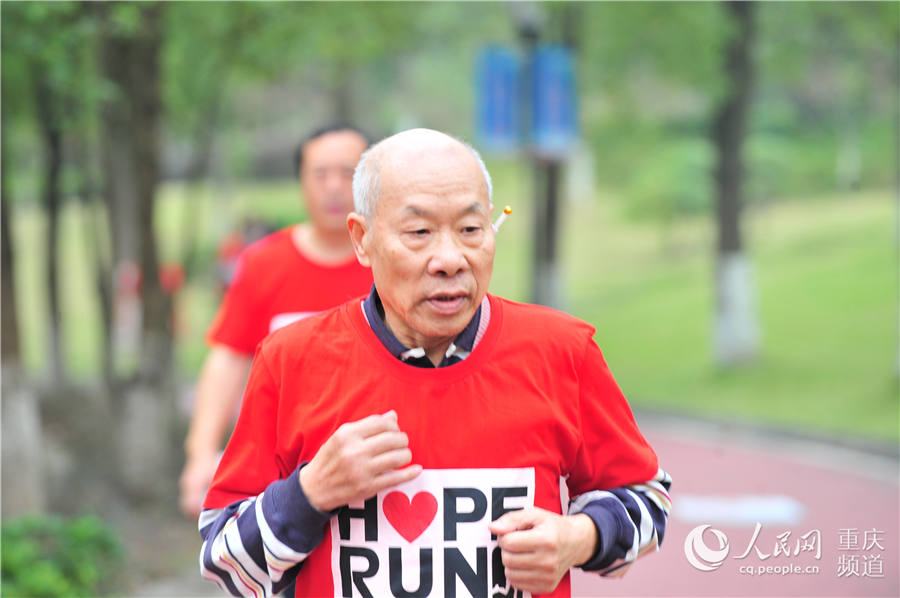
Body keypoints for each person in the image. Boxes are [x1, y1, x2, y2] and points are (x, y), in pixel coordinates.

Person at [198, 129, 672, 598]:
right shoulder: (291, 360)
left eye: (470, 230)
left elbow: (648, 500)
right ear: (362, 240)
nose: (450, 259)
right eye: (419, 232)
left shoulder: (562, 351)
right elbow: (226, 563)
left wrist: (579, 537)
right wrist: (309, 493)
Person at [178, 124, 373, 518]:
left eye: (349, 173)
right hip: (283, 482)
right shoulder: (264, 264)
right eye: (320, 174)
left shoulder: (395, 262)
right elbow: (228, 359)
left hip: (377, 470)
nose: (334, 187)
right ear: (301, 181)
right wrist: (201, 453)